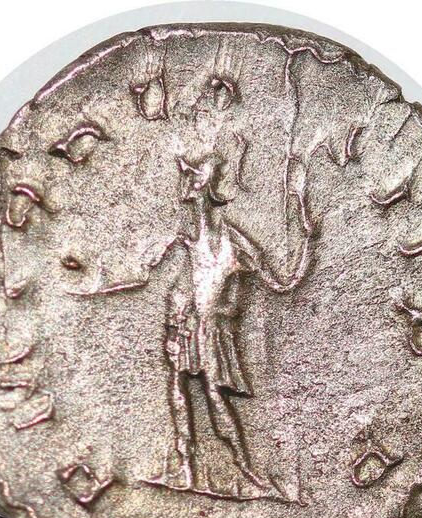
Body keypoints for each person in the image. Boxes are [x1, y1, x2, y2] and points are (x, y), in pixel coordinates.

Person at [69, 154, 315, 494]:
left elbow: (282, 283)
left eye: (195, 179)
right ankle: (186, 467)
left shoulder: (233, 241)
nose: (188, 185)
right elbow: (147, 277)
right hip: (186, 324)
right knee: (179, 389)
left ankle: (247, 470)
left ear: (208, 188)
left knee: (213, 395)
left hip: (213, 329)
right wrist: (99, 289)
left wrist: (306, 232)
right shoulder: (185, 239)